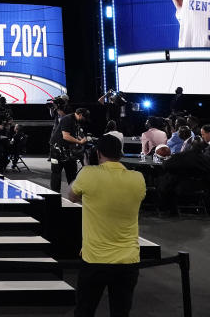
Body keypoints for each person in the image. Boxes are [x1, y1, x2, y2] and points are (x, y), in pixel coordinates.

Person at [67, 134, 146, 317]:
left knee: (85, 310)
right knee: (121, 312)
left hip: (95, 259)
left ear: (98, 153)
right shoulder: (138, 178)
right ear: (120, 153)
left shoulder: (88, 174)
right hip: (128, 260)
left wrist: (86, 167)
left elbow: (71, 195)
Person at [50, 107, 88, 192]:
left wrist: (81, 138)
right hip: (57, 150)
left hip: (67, 150)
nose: (84, 120)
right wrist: (80, 142)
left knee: (71, 173)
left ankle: (74, 193)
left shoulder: (75, 121)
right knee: (56, 174)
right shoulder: (67, 119)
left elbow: (73, 134)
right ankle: (54, 195)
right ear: (80, 115)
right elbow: (66, 136)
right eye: (84, 118)